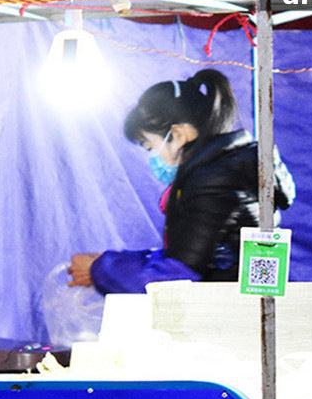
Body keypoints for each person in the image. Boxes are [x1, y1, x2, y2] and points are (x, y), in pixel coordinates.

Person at [68, 69, 295, 294]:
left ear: (178, 135)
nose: (153, 157)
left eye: (150, 146)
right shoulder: (225, 172)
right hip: (238, 305)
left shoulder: (214, 183)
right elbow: (190, 254)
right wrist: (112, 263)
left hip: (228, 311)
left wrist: (99, 269)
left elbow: (175, 276)